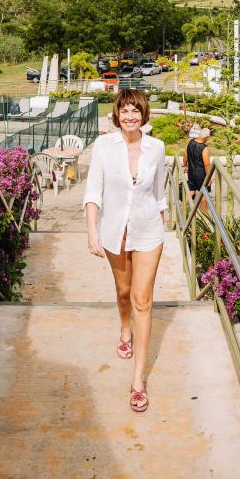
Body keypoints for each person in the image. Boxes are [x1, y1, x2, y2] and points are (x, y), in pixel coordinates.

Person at [84, 88, 166, 413]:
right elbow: (93, 190)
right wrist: (92, 229)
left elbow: (159, 193)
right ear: (116, 114)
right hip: (114, 231)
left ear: (143, 115)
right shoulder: (104, 146)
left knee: (142, 301)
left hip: (149, 232)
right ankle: (124, 328)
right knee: (123, 291)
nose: (130, 116)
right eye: (124, 110)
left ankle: (138, 380)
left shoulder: (156, 149)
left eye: (135, 110)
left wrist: (164, 222)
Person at [183, 125, 211, 209]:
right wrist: (208, 178)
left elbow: (185, 155)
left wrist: (184, 165)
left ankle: (182, 209)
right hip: (201, 175)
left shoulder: (190, 142)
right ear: (207, 137)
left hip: (191, 172)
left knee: (191, 191)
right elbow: (207, 165)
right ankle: (205, 217)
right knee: (203, 194)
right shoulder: (204, 148)